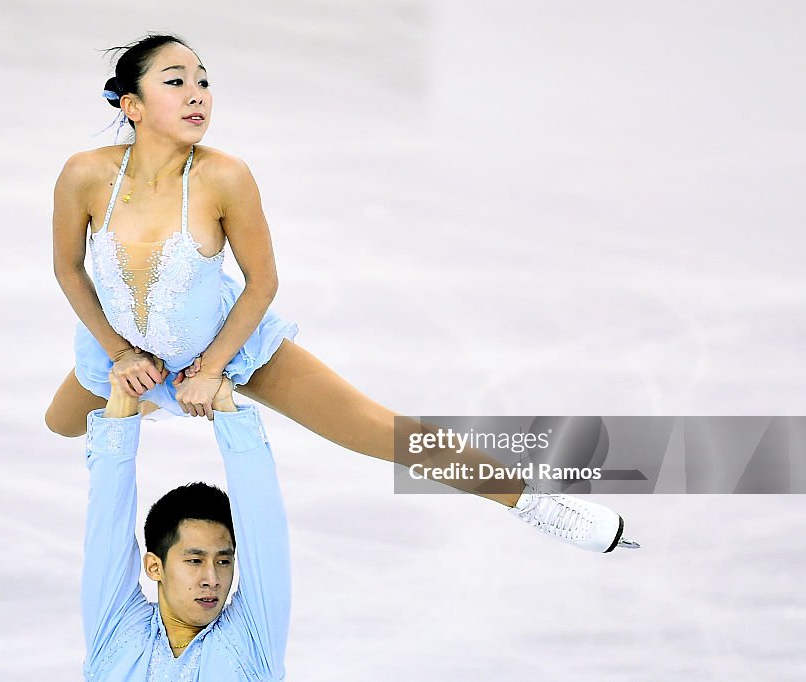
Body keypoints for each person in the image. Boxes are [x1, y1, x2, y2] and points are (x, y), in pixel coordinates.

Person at [48, 32, 638, 553]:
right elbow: (70, 269)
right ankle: (159, 395)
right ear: (132, 105)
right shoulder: (86, 174)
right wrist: (122, 355)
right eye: (175, 82)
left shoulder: (225, 176)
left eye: (204, 81)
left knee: (380, 430)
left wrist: (212, 369)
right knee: (62, 422)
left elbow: (263, 283)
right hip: (125, 351)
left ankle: (534, 502)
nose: (198, 93)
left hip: (226, 346)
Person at [81, 369, 289, 680]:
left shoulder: (249, 644)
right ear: (155, 567)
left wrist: (224, 404)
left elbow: (264, 523)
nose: (212, 579)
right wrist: (123, 399)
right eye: (194, 560)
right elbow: (107, 518)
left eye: (223, 561)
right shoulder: (117, 630)